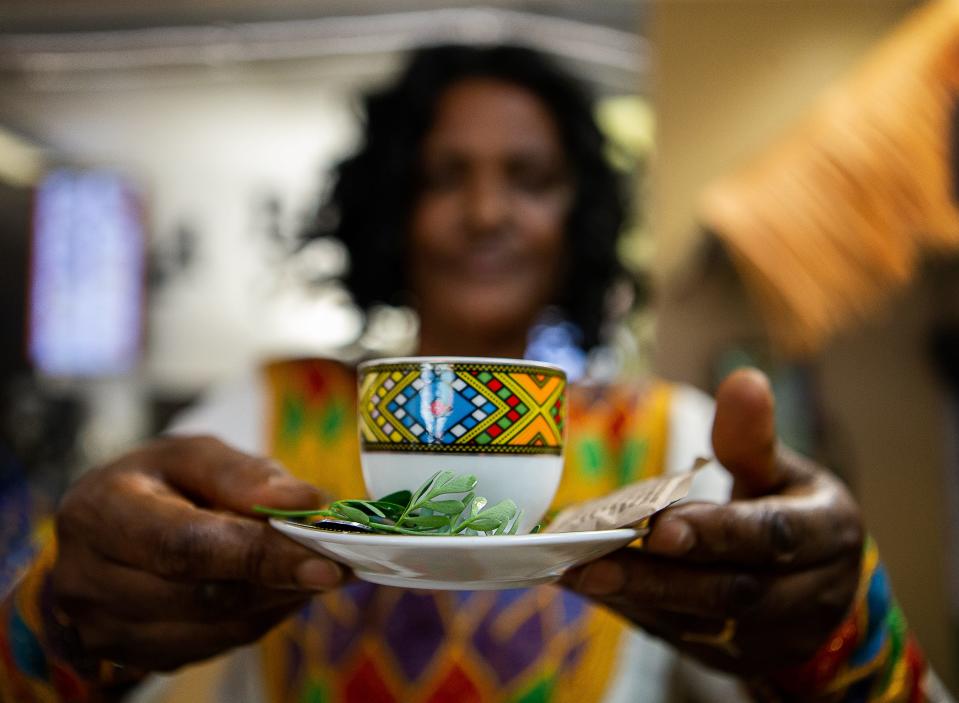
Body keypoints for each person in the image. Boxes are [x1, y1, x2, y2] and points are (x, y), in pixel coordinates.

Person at [0, 44, 932, 702]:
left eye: (528, 177)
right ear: (392, 209)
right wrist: (65, 616)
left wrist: (841, 630)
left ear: (579, 217)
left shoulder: (667, 438)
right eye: (445, 175)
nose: (486, 210)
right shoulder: (264, 413)